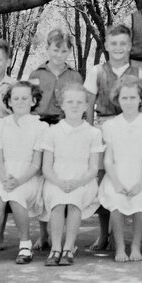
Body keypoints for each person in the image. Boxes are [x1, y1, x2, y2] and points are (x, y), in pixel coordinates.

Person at [83, 24, 142, 251]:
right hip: (104, 126)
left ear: (130, 46)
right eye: (114, 44)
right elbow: (89, 105)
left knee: (128, 177)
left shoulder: (137, 73)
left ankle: (127, 235)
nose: (118, 48)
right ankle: (104, 234)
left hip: (130, 130)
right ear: (107, 46)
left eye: (123, 43)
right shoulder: (96, 72)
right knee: (104, 181)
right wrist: (90, 134)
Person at [0, 81, 47, 265]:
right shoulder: (1, 124)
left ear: (33, 101)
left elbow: (36, 164)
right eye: (15, 98)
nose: (20, 101)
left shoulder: (41, 127)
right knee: (0, 197)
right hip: (3, 174)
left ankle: (25, 245)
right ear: (8, 102)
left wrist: (18, 181)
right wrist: (4, 178)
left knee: (16, 195)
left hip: (28, 176)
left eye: (25, 98)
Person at [39, 83, 103, 267]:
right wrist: (59, 182)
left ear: (85, 106)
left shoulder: (93, 133)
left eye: (79, 102)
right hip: (56, 179)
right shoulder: (52, 131)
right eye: (70, 101)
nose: (74, 105)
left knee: (74, 200)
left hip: (83, 180)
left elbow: (93, 169)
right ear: (62, 104)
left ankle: (69, 247)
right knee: (58, 202)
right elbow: (46, 167)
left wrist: (77, 182)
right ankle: (56, 247)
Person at [97, 75, 142, 262]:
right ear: (118, 99)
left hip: (141, 173)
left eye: (133, 97)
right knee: (116, 199)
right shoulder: (110, 125)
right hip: (116, 173)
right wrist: (116, 182)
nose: (129, 102)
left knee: (140, 199)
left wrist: (140, 183)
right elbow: (108, 160)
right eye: (124, 98)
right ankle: (120, 247)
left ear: (140, 99)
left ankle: (136, 246)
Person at [29, 28, 83, 126]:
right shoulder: (36, 74)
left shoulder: (75, 77)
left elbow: (81, 106)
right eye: (55, 50)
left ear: (70, 51)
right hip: (39, 124)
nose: (59, 55)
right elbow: (28, 104)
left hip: (66, 125)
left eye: (64, 51)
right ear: (47, 48)